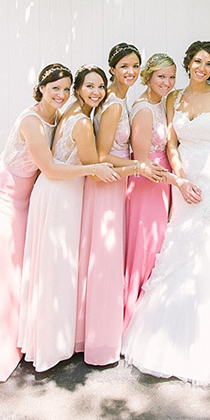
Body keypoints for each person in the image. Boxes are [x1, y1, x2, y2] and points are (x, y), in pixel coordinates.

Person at [123, 41, 210, 386]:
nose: (202, 67)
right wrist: (181, 179)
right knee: (180, 246)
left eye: (209, 63)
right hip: (185, 180)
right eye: (197, 61)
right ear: (189, 63)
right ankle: (168, 332)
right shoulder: (174, 99)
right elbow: (171, 143)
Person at [0, 64, 113, 382]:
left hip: (26, 202)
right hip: (0, 198)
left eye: (65, 88)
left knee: (18, 274)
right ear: (41, 88)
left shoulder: (58, 116)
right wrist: (93, 168)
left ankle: (16, 340)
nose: (60, 94)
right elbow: (51, 168)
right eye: (54, 88)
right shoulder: (31, 120)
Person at [18, 65, 120, 372]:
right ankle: (51, 346)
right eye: (89, 86)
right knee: (57, 269)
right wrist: (139, 168)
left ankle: (44, 340)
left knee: (50, 267)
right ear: (79, 89)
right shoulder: (82, 123)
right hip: (61, 195)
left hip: (54, 193)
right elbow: (97, 169)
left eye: (101, 87)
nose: (96, 92)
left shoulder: (67, 113)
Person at [75, 43, 163, 366]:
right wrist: (139, 167)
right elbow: (101, 156)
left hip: (114, 182)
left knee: (105, 256)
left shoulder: (118, 100)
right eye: (124, 66)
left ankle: (102, 331)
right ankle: (101, 340)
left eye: (135, 66)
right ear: (112, 69)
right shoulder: (112, 105)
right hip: (108, 184)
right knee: (105, 256)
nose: (131, 72)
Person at [124, 53, 176, 329]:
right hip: (148, 183)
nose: (167, 82)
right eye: (161, 77)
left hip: (161, 182)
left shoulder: (161, 103)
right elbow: (142, 161)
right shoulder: (144, 109)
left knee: (157, 244)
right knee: (145, 245)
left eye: (171, 77)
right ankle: (134, 315)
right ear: (148, 77)